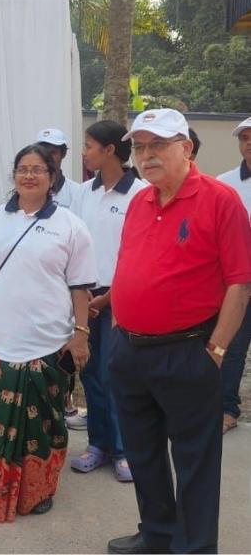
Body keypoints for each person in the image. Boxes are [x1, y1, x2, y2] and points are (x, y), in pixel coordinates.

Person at [106, 109, 251, 555]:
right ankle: (158, 533)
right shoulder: (140, 200)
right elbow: (128, 267)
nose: (146, 156)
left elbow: (240, 282)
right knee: (144, 453)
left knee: (194, 460)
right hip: (130, 350)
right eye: (140, 147)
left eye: (158, 146)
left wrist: (219, 347)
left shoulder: (220, 199)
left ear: (185, 148)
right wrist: (116, 329)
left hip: (189, 350)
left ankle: (195, 547)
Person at [0, 143, 96, 521]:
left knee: (44, 424)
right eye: (23, 168)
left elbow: (80, 287)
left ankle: (40, 488)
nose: (29, 175)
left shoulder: (70, 226)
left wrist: (80, 332)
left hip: (46, 344)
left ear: (52, 178)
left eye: (39, 169)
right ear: (14, 175)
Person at [69, 121, 146, 483]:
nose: (84, 153)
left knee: (118, 376)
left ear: (111, 150)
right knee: (90, 373)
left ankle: (123, 448)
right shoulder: (83, 193)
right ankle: (98, 444)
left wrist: (109, 296)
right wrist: (80, 295)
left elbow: (141, 255)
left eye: (89, 146)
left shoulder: (140, 195)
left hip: (123, 298)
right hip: (85, 297)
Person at [216, 116, 251, 435]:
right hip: (239, 285)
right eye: (245, 137)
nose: (249, 143)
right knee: (232, 348)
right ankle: (227, 409)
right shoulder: (225, 184)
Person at [36, 128, 81, 208]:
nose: (46, 156)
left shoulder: (77, 192)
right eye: (42, 152)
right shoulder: (28, 187)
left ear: (63, 154)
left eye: (52, 152)